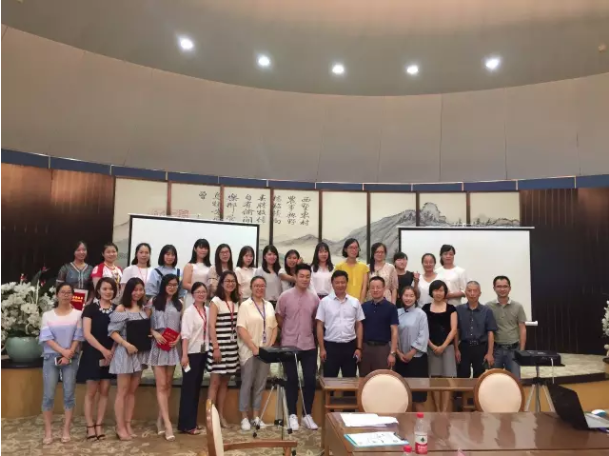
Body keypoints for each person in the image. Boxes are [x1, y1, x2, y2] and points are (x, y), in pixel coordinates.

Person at [276, 263, 320, 431]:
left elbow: (315, 320)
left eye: (307, 276)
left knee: (310, 380)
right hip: (289, 345)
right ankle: (292, 415)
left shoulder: (314, 298)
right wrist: (289, 331)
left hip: (308, 345)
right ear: (295, 277)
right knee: (292, 380)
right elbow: (279, 317)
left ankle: (307, 415)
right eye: (301, 276)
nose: (304, 279)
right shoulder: (285, 296)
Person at [39, 283, 84, 445]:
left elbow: (78, 336)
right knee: (48, 395)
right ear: (57, 294)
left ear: (73, 295)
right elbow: (47, 338)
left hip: (71, 357)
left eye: (69, 292)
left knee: (69, 394)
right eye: (62, 292)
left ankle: (66, 430)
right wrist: (62, 351)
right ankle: (48, 431)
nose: (66, 295)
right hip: (51, 357)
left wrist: (69, 352)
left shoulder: (78, 314)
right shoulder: (47, 315)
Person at [109, 277, 151, 441]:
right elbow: (112, 332)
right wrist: (126, 345)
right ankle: (119, 426)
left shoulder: (143, 309)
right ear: (129, 291)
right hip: (124, 352)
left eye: (141, 289)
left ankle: (127, 423)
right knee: (122, 391)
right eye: (135, 290)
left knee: (132, 391)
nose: (138, 293)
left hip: (139, 354)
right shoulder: (121, 308)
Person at [77, 278, 117, 441]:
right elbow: (87, 334)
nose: (108, 292)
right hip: (93, 353)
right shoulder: (90, 309)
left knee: (105, 390)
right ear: (99, 290)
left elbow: (119, 333)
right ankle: (89, 425)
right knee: (91, 392)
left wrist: (111, 351)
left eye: (111, 289)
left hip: (111, 353)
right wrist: (103, 350)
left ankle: (99, 424)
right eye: (105, 289)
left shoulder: (117, 309)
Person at [236, 276, 278, 431]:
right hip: (249, 351)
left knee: (260, 384)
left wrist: (270, 346)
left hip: (265, 352)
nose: (259, 288)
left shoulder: (269, 305)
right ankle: (244, 417)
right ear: (251, 288)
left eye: (262, 286)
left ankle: (255, 416)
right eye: (256, 286)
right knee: (247, 383)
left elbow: (274, 327)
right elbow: (241, 328)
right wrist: (253, 347)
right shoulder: (245, 306)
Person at [149, 274, 183, 440]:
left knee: (168, 384)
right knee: (161, 384)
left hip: (172, 347)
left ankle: (160, 419)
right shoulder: (154, 301)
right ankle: (168, 424)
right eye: (169, 284)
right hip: (157, 346)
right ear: (163, 285)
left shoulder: (180, 303)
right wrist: (155, 333)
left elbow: (183, 325)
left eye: (175, 284)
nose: (172, 287)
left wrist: (178, 338)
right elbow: (144, 322)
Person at [316, 270, 364, 379]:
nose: (340, 285)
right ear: (332, 283)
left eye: (343, 282)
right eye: (337, 282)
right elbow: (319, 325)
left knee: (350, 380)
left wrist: (359, 348)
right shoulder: (324, 302)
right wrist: (322, 348)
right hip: (330, 346)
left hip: (350, 346)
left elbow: (359, 325)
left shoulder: (354, 302)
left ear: (347, 283)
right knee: (329, 380)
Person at [207, 270, 240, 428]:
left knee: (225, 383)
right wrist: (215, 347)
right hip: (218, 347)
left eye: (233, 281)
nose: (230, 284)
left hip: (232, 348)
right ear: (221, 283)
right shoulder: (216, 301)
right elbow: (211, 326)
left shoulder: (237, 301)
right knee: (214, 383)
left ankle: (220, 415)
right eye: (227, 281)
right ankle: (210, 418)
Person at [178, 282, 210, 435]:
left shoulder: (208, 310)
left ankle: (192, 423)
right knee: (189, 389)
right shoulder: (189, 312)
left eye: (203, 291)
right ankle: (186, 424)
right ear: (193, 294)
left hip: (203, 352)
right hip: (191, 353)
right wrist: (184, 355)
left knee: (196, 388)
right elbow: (185, 335)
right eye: (198, 292)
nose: (201, 294)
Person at [422, 280, 457, 412]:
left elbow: (453, 330)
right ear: (431, 292)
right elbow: (423, 329)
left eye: (441, 290)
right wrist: (432, 345)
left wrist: (443, 346)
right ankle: (437, 409)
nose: (438, 293)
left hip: (447, 348)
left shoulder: (451, 308)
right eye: (436, 290)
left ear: (445, 292)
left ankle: (444, 410)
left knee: (447, 379)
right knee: (435, 379)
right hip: (430, 347)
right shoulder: (425, 308)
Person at [395, 286, 429, 412]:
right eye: (406, 295)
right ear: (400, 296)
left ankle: (420, 423)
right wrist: (398, 352)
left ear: (416, 298)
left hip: (417, 359)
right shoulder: (396, 313)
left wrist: (412, 352)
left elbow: (423, 335)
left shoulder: (421, 314)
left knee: (417, 397)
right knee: (402, 395)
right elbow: (393, 334)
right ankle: (404, 423)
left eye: (411, 296)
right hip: (400, 359)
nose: (408, 298)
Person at [455, 281, 498, 380]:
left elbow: (490, 332)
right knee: (462, 375)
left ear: (480, 293)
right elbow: (456, 331)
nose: (472, 293)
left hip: (480, 347)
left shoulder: (487, 311)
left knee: (480, 377)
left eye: (475, 291)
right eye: (469, 290)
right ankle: (462, 391)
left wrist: (490, 353)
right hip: (464, 347)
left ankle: (477, 391)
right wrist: (456, 349)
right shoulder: (458, 309)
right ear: (465, 293)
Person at [487, 276, 527, 378]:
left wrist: (521, 351)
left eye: (505, 286)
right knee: (494, 379)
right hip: (496, 350)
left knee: (515, 379)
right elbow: (488, 330)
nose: (502, 289)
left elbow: (522, 328)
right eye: (499, 286)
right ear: (494, 288)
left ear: (510, 288)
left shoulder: (518, 306)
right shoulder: (488, 307)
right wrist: (489, 352)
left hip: (513, 350)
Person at [359, 276, 399, 376]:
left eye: (378, 287)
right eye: (372, 287)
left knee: (382, 379)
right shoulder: (364, 306)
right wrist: (359, 348)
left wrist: (392, 353)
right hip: (366, 349)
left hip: (383, 349)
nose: (375, 290)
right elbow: (359, 328)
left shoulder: (391, 307)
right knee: (364, 378)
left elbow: (394, 331)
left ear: (384, 288)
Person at [56, 240, 93, 310]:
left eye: (84, 250)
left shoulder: (90, 269)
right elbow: (58, 287)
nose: (81, 252)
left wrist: (89, 301)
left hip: (86, 306)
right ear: (73, 252)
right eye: (78, 250)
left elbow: (93, 289)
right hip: (67, 304)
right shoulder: (65, 268)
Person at [335, 238, 369, 303]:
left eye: (356, 248)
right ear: (345, 249)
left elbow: (364, 287)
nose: (354, 250)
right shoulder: (339, 267)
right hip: (343, 302)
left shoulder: (364, 267)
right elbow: (337, 286)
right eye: (351, 248)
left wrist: (361, 303)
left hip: (360, 302)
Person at [182, 239, 211, 308]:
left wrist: (206, 293)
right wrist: (200, 291)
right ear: (195, 249)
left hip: (206, 299)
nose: (203, 250)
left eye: (205, 248)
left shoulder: (210, 267)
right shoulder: (189, 265)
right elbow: (185, 284)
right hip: (192, 298)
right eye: (201, 248)